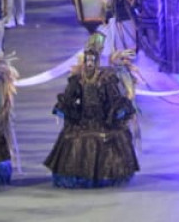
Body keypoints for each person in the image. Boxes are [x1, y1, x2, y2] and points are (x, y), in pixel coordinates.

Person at [43, 33, 138, 188]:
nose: (89, 64)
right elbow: (69, 97)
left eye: (92, 61)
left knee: (105, 138)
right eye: (87, 61)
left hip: (102, 120)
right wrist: (65, 108)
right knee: (75, 139)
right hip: (83, 119)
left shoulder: (106, 79)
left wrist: (119, 110)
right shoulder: (78, 79)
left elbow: (113, 99)